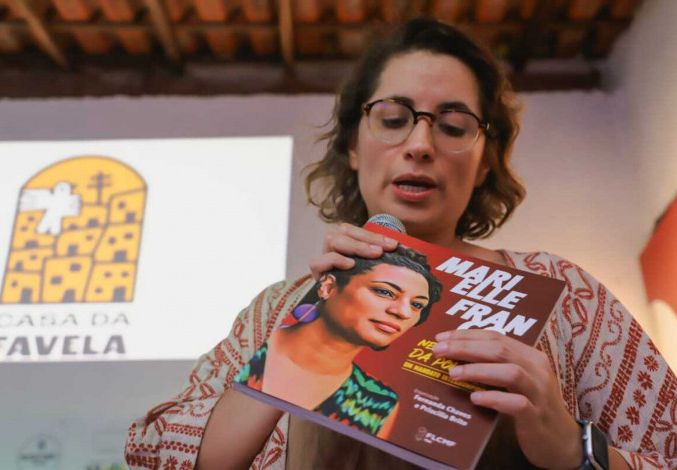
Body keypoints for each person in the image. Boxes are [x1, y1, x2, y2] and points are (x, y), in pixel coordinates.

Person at [125, 18, 677, 470]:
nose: (419, 144)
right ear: (352, 147)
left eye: (453, 127)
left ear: (486, 161)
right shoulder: (275, 309)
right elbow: (153, 454)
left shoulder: (564, 294)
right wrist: (292, 347)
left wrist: (573, 449)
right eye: (392, 119)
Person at [235, 245, 443, 438]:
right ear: (328, 287)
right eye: (385, 292)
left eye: (417, 305)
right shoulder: (260, 334)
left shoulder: (378, 403)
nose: (403, 312)